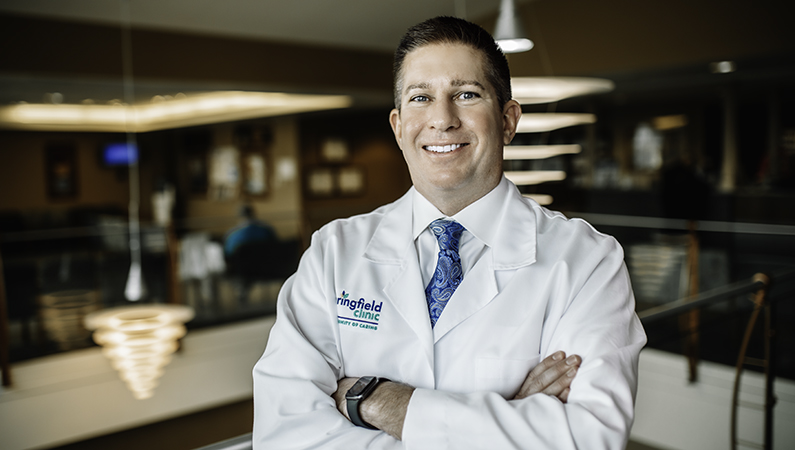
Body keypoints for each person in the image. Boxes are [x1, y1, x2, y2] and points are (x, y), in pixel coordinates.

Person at [253, 16, 646, 449]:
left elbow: (589, 439)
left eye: (466, 94)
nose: (442, 119)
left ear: (508, 120)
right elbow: (284, 435)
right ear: (399, 126)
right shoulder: (333, 253)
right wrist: (504, 418)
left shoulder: (588, 261)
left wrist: (381, 402)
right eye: (421, 98)